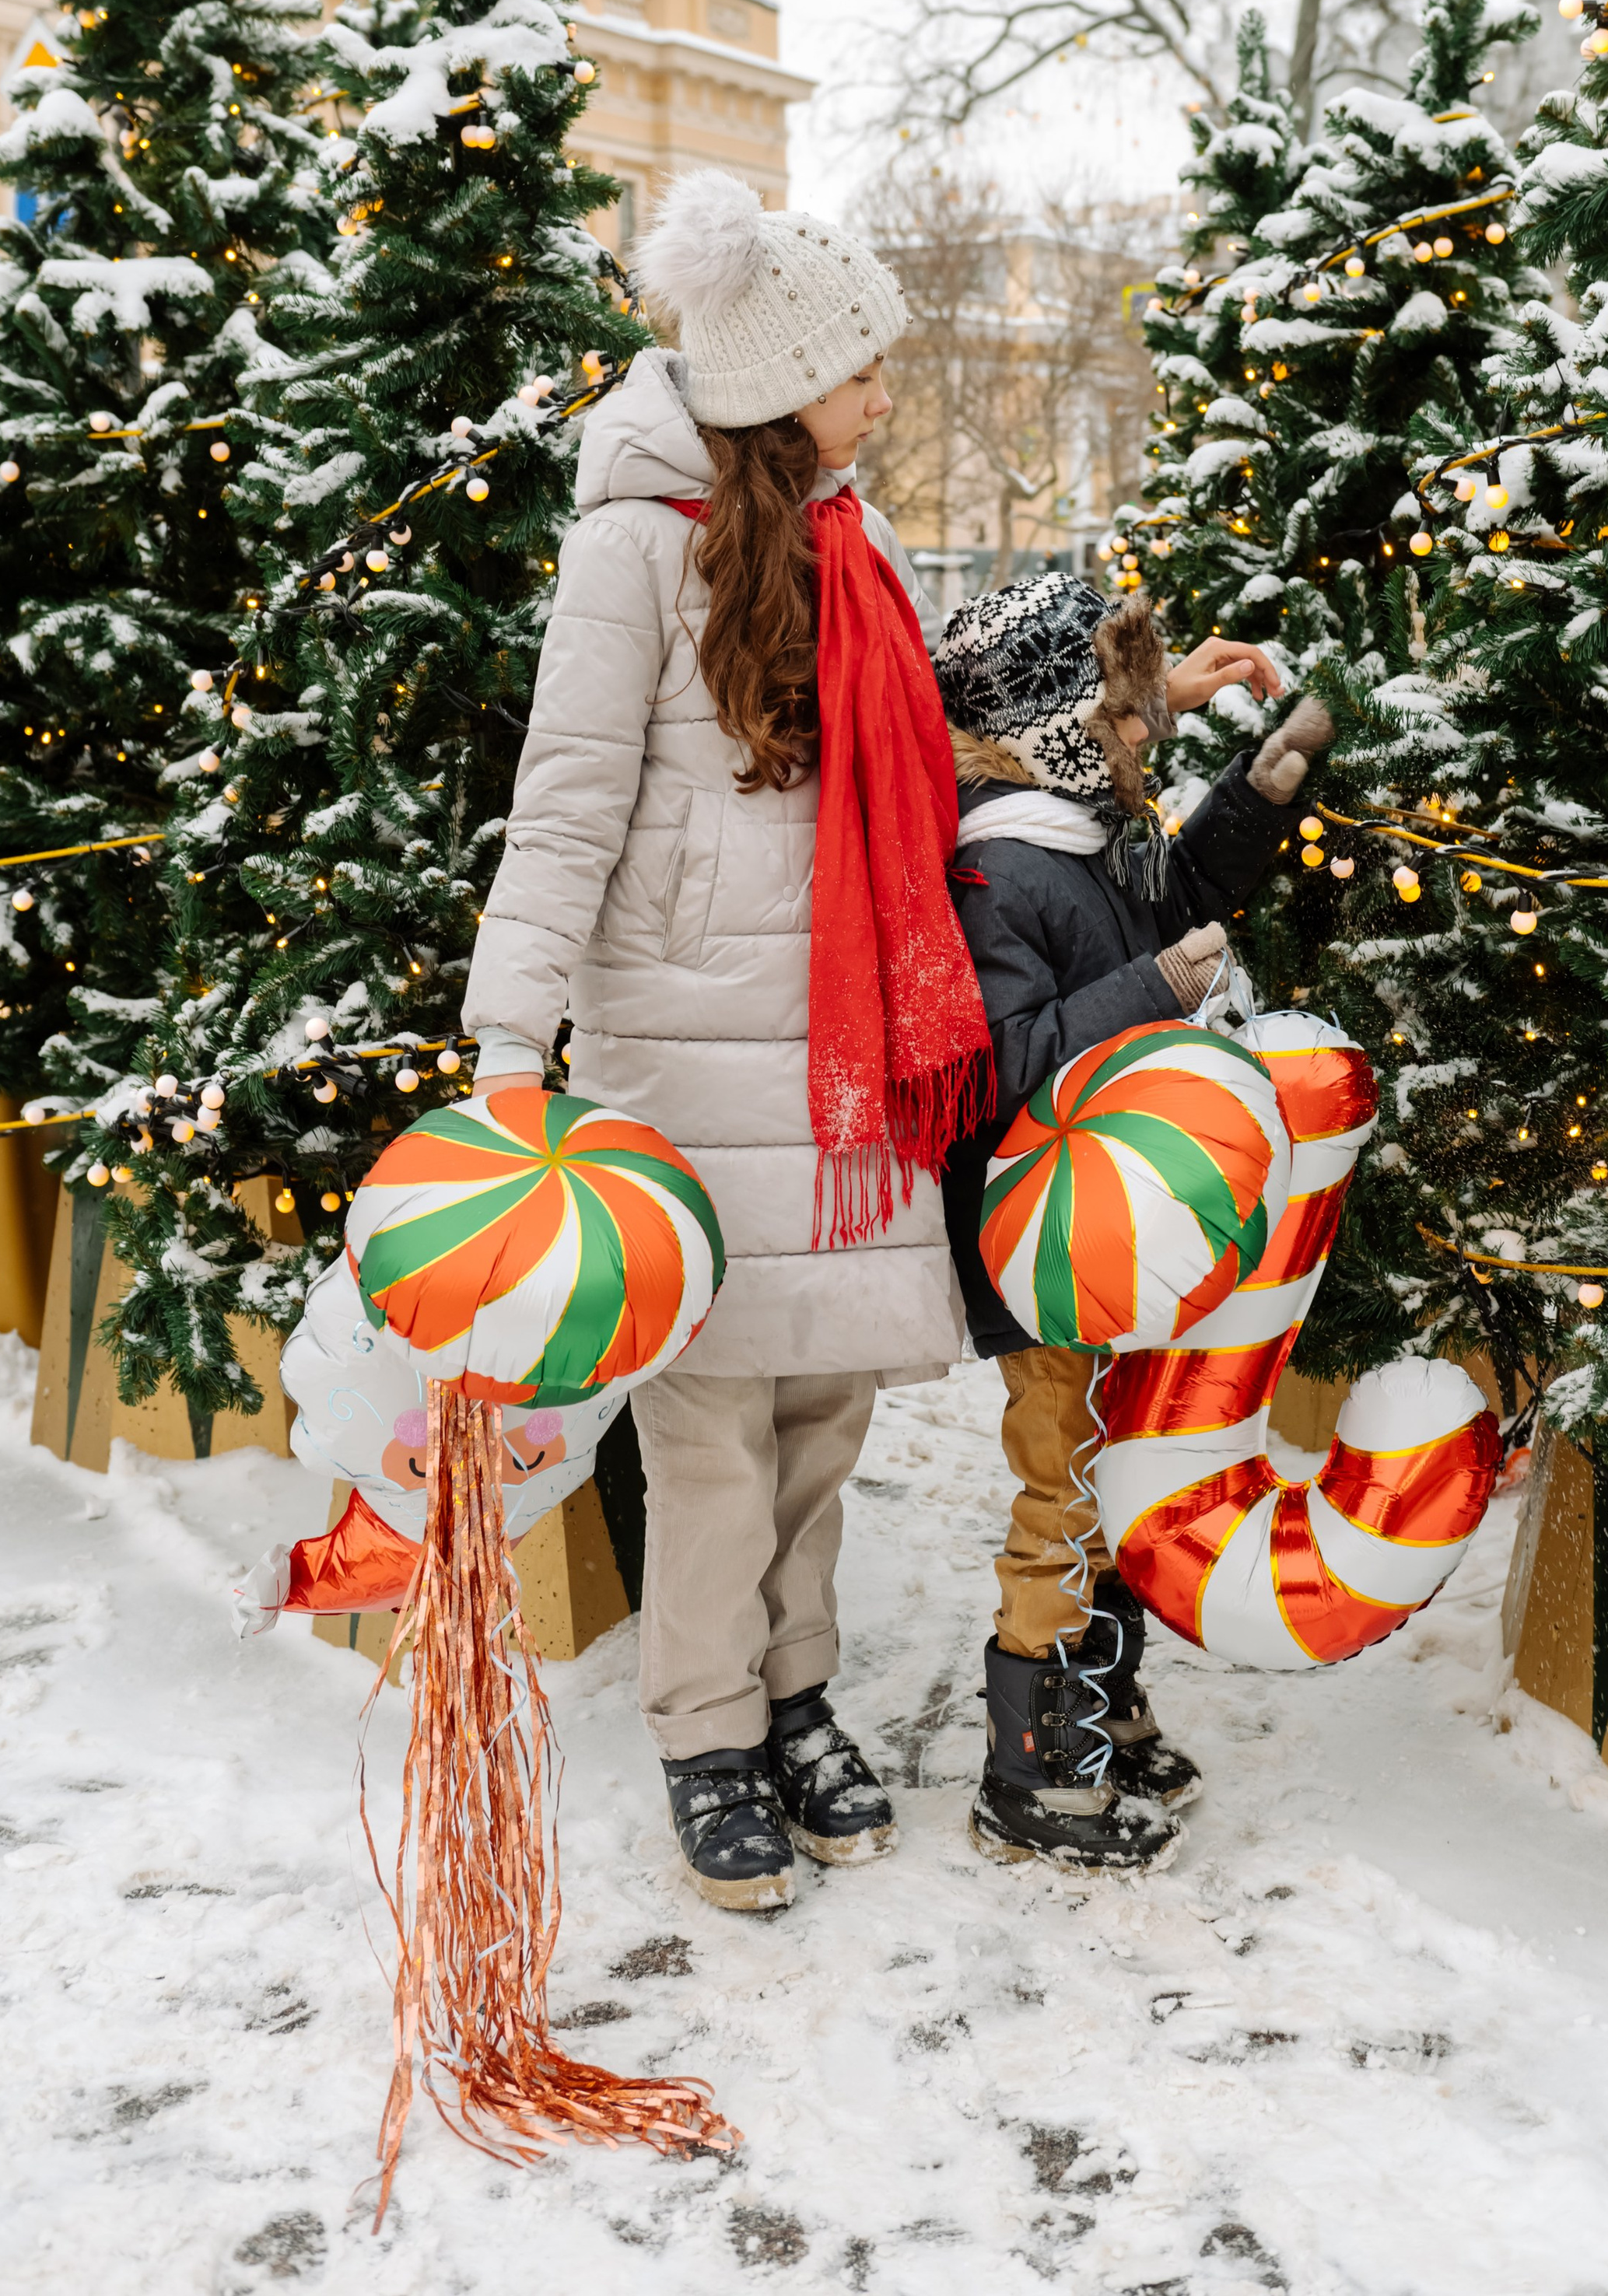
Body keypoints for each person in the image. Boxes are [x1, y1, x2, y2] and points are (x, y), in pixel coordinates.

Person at [463, 170, 991, 1913]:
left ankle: (793, 1690)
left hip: (845, 1044)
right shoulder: (629, 551)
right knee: (708, 1424)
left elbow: (924, 749)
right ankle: (703, 1730)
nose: (884, 393)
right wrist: (508, 1036)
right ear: (777, 380)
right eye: (862, 367)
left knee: (825, 1407)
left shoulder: (857, 540)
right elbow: (562, 806)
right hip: (686, 1045)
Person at [933, 570, 1333, 1872]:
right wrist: (1154, 988)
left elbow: (1181, 903)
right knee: (1062, 1489)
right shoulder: (1002, 867)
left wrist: (1261, 794)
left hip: (1123, 1226)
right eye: (1121, 709)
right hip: (1047, 1242)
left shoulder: (1088, 828)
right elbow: (1003, 1063)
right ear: (1056, 722)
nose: (1146, 728)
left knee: (1115, 1471)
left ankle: (1099, 1703)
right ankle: (1033, 1764)